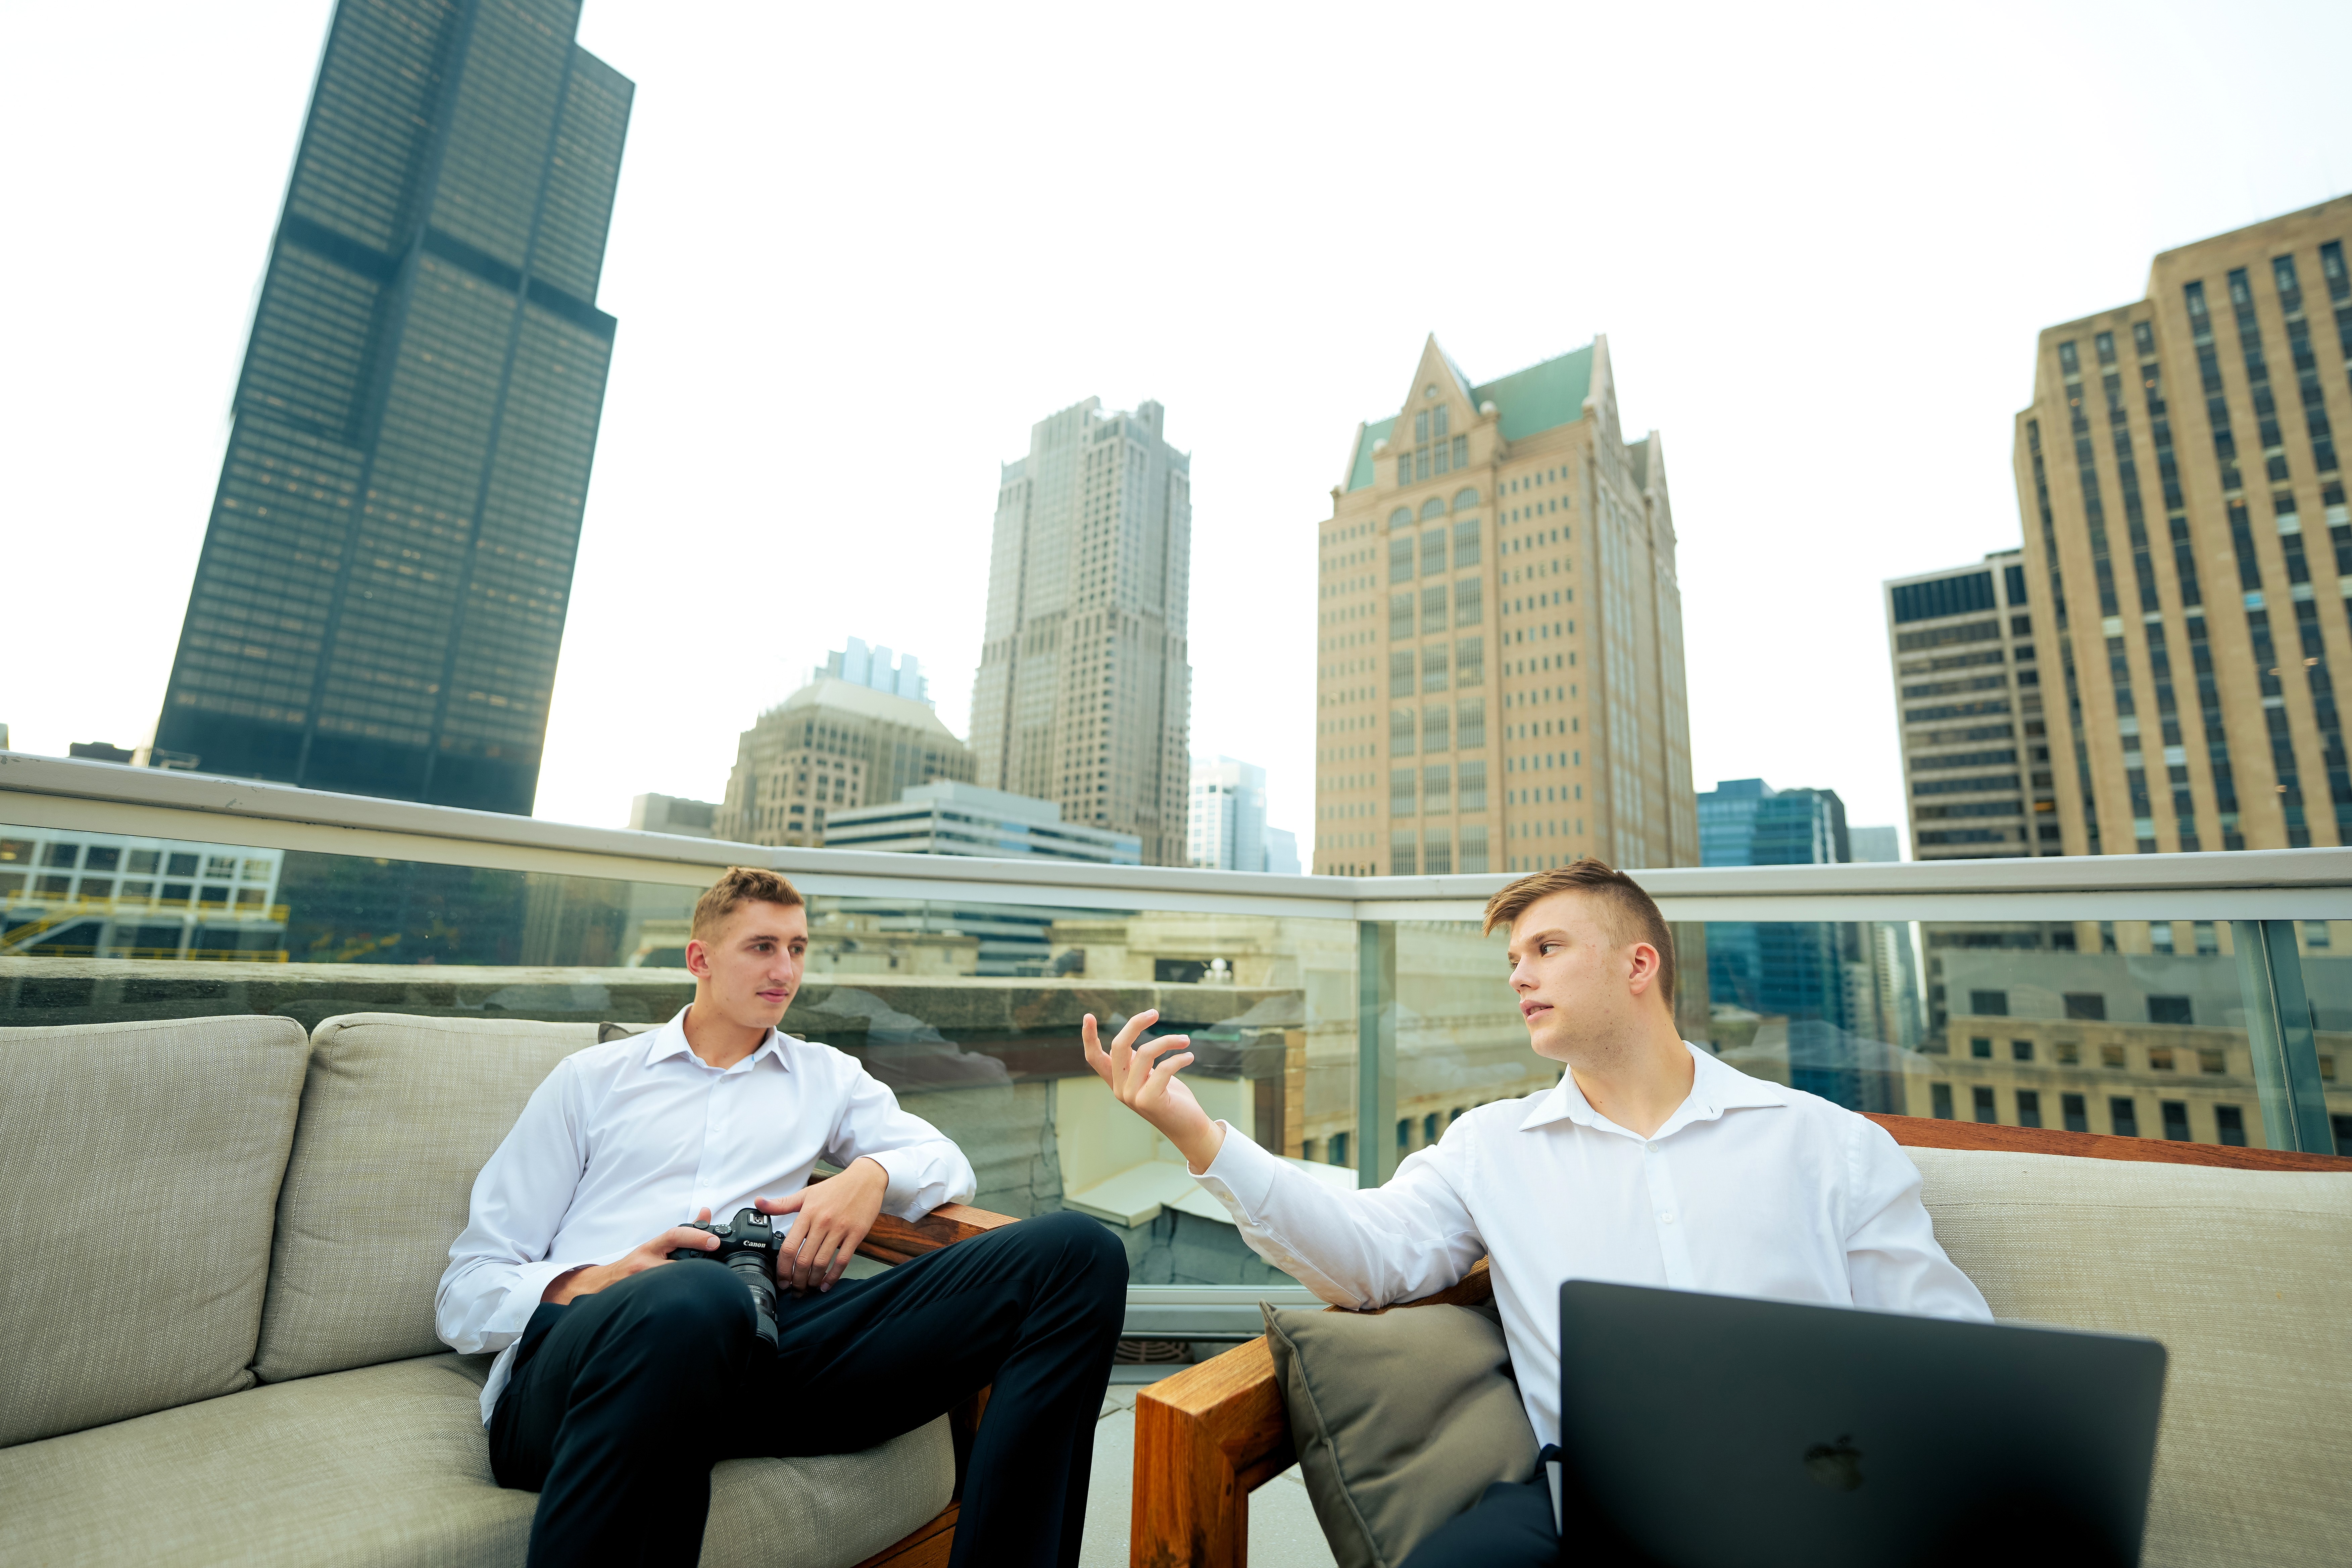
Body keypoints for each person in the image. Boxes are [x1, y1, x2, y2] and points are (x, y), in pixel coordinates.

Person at [1080, 859, 1990, 1567]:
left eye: (1547, 949)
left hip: (1823, 1505)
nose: (1520, 975)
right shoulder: (1491, 1146)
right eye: (1514, 959)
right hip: (1597, 1515)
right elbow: (1366, 1258)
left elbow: (1951, 1360)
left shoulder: (1828, 1142)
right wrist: (1195, 1135)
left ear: (1640, 965)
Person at [440, 867, 1126, 1568]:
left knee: (1077, 1252)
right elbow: (466, 1290)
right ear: (700, 958)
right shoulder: (592, 1080)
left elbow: (945, 1159)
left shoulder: (825, 1075)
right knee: (692, 1295)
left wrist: (872, 1174)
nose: (786, 968)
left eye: (798, 947)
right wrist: (600, 1280)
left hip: (765, 1346)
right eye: (762, 946)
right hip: (595, 1365)